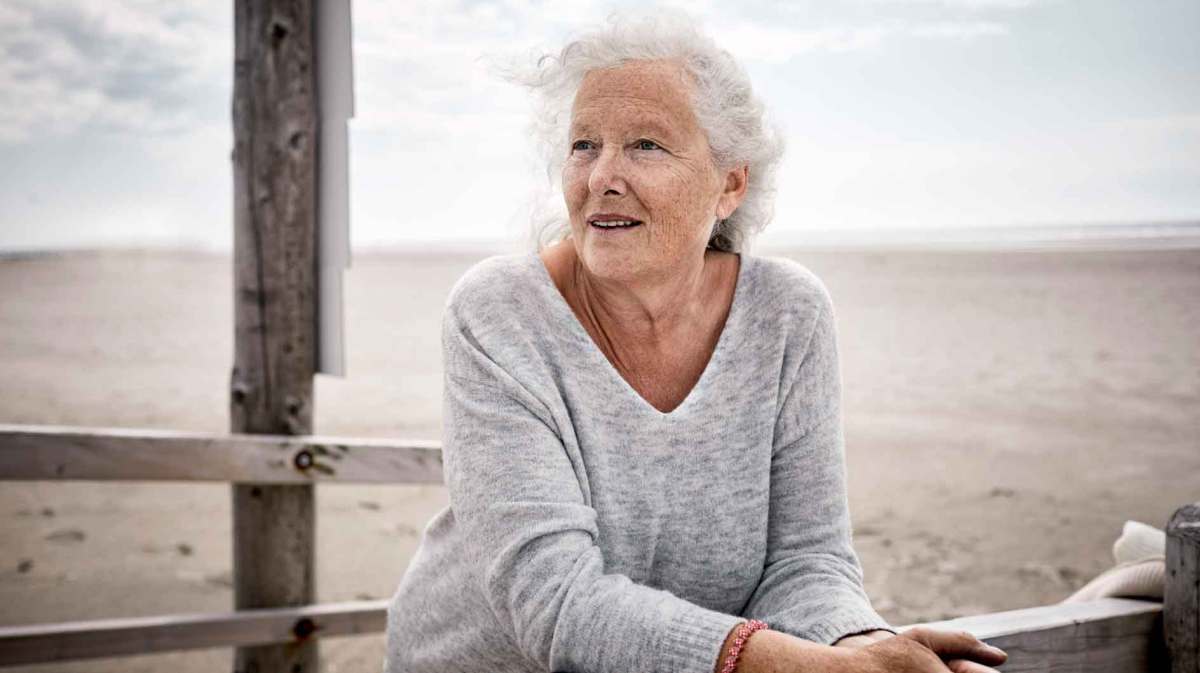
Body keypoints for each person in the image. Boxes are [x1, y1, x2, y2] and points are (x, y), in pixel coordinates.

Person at [384, 13, 1008, 673]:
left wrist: (858, 645)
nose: (602, 176)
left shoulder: (787, 314)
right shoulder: (500, 311)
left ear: (730, 184)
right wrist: (819, 669)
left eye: (646, 145)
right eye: (584, 145)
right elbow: (553, 597)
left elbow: (806, 560)